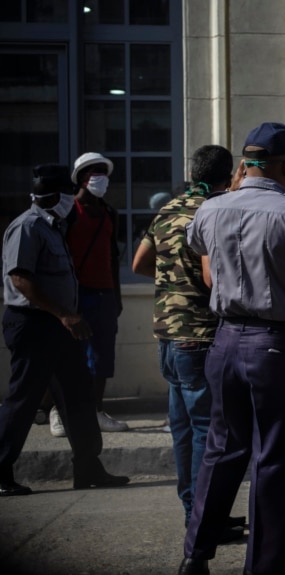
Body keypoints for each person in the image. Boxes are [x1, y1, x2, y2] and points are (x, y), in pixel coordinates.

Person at [177, 122, 285, 575]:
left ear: (244, 164)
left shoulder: (211, 209)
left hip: (225, 339)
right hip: (275, 345)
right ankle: (267, 565)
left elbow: (207, 268)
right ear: (284, 166)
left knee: (220, 450)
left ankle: (195, 556)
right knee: (271, 457)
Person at [132, 145, 245, 540]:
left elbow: (139, 263)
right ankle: (204, 519)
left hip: (167, 333)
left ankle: (193, 511)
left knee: (182, 427)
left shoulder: (169, 208)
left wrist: (173, 286)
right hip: (199, 333)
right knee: (206, 430)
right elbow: (215, 277)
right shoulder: (214, 211)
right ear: (227, 176)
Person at [0, 164, 129, 496]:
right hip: (35, 324)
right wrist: (63, 314)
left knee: (79, 397)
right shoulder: (27, 227)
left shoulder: (53, 226)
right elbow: (20, 279)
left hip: (60, 324)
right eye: (69, 195)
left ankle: (88, 468)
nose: (74, 200)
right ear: (56, 196)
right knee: (23, 401)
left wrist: (66, 316)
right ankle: (1, 470)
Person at [54, 152, 129, 435]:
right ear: (81, 178)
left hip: (104, 293)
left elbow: (112, 257)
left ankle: (96, 410)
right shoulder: (69, 211)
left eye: (103, 173)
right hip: (75, 294)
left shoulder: (110, 212)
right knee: (67, 354)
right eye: (93, 172)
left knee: (101, 356)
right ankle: (59, 411)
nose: (100, 178)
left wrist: (117, 295)